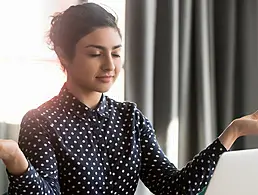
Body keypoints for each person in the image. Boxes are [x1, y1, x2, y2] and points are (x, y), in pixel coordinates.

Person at [0, 2, 258, 195]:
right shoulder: (41, 121)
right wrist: (16, 161)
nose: (109, 65)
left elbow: (175, 189)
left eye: (116, 53)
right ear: (63, 56)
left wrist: (232, 132)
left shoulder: (129, 117)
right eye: (95, 54)